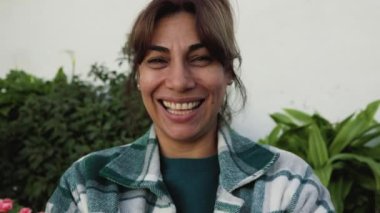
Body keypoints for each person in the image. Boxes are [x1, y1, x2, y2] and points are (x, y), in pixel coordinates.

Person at [46, 0, 335, 212]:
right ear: (138, 75)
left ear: (228, 71)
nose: (179, 81)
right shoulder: (87, 186)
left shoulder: (289, 183)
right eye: (158, 60)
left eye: (200, 58)